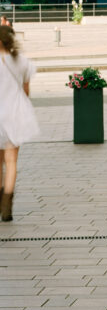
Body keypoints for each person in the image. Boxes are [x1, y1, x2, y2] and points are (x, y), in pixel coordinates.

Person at [0, 24, 39, 221]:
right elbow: (26, 91)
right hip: (15, 116)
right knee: (11, 162)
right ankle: (7, 207)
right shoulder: (22, 62)